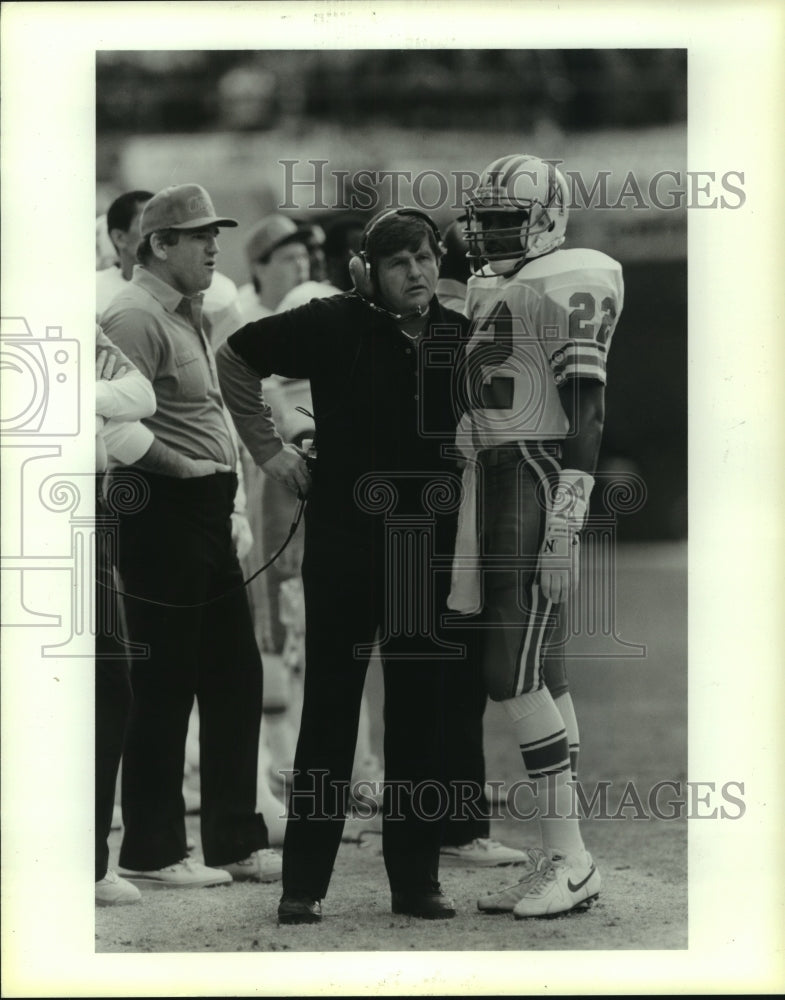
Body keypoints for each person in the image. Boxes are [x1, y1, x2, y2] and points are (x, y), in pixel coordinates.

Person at [217, 208, 496, 924]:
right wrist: (270, 450)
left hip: (420, 552)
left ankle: (415, 881)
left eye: (427, 258)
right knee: (330, 715)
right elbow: (235, 358)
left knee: (416, 718)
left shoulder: (454, 336)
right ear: (367, 270)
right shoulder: (330, 321)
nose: (419, 272)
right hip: (344, 544)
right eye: (401, 261)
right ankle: (303, 885)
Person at [449, 153, 624, 917]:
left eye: (502, 220)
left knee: (506, 669)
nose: (487, 234)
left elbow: (586, 408)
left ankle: (573, 860)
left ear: (546, 220)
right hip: (494, 474)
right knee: (542, 672)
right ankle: (563, 856)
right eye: (481, 219)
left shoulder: (573, 275)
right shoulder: (505, 281)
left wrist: (564, 527)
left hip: (532, 474)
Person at [101, 182, 281, 888]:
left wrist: (219, 487)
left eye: (216, 232)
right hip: (164, 508)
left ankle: (233, 839)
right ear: (159, 244)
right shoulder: (134, 315)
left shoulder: (183, 309)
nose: (214, 245)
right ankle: (152, 850)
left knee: (234, 674)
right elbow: (118, 430)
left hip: (203, 507)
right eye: (199, 234)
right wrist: (192, 471)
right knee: (164, 682)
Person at [94, 324, 157, 906]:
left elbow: (141, 395)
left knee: (110, 678)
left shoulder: (71, 321)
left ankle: (88, 861)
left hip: (85, 499)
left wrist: (78, 395)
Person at [97, 189, 244, 347]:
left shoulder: (219, 294)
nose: (214, 248)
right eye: (145, 223)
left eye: (213, 236)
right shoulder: (95, 295)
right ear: (119, 237)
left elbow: (217, 368)